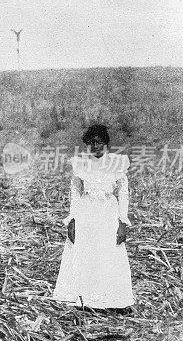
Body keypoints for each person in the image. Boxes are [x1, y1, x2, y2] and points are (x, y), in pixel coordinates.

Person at [52, 124, 135, 311]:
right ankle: (85, 298)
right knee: (85, 252)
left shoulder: (117, 162)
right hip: (86, 212)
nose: (95, 146)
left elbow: (123, 193)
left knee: (109, 253)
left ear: (105, 143)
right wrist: (72, 220)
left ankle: (112, 300)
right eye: (91, 143)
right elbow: (75, 191)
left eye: (98, 142)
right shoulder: (80, 163)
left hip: (108, 213)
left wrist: (122, 222)